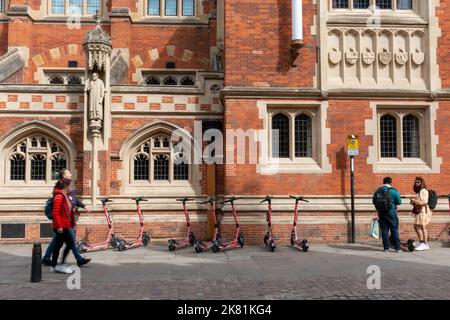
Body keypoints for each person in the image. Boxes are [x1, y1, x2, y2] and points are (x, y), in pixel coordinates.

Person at [42, 169, 91, 266]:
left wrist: (83, 206)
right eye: (68, 172)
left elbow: (74, 200)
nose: (71, 174)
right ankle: (76, 259)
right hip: (63, 222)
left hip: (67, 221)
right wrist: (59, 225)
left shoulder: (67, 192)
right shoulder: (60, 193)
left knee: (58, 242)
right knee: (70, 242)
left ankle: (49, 259)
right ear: (63, 177)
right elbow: (57, 211)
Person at [50, 178, 88, 273]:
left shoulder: (65, 195)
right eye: (70, 186)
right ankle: (61, 265)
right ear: (65, 186)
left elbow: (69, 211)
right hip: (62, 226)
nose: (72, 187)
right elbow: (55, 212)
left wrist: (73, 223)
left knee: (59, 245)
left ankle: (55, 265)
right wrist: (59, 226)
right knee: (70, 244)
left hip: (66, 224)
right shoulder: (59, 196)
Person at [372, 177, 402, 253]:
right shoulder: (393, 191)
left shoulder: (377, 191)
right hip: (391, 211)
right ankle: (397, 248)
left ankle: (386, 248)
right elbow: (399, 202)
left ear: (383, 182)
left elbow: (374, 201)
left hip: (381, 212)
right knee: (394, 229)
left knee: (384, 230)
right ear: (390, 183)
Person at [410, 177, 432, 251]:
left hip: (423, 211)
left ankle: (423, 243)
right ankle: (423, 243)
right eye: (416, 182)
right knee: (419, 226)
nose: (416, 183)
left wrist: (414, 200)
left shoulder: (423, 191)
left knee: (420, 226)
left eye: (418, 182)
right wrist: (413, 202)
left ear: (421, 183)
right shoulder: (420, 191)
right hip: (421, 210)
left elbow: (424, 202)